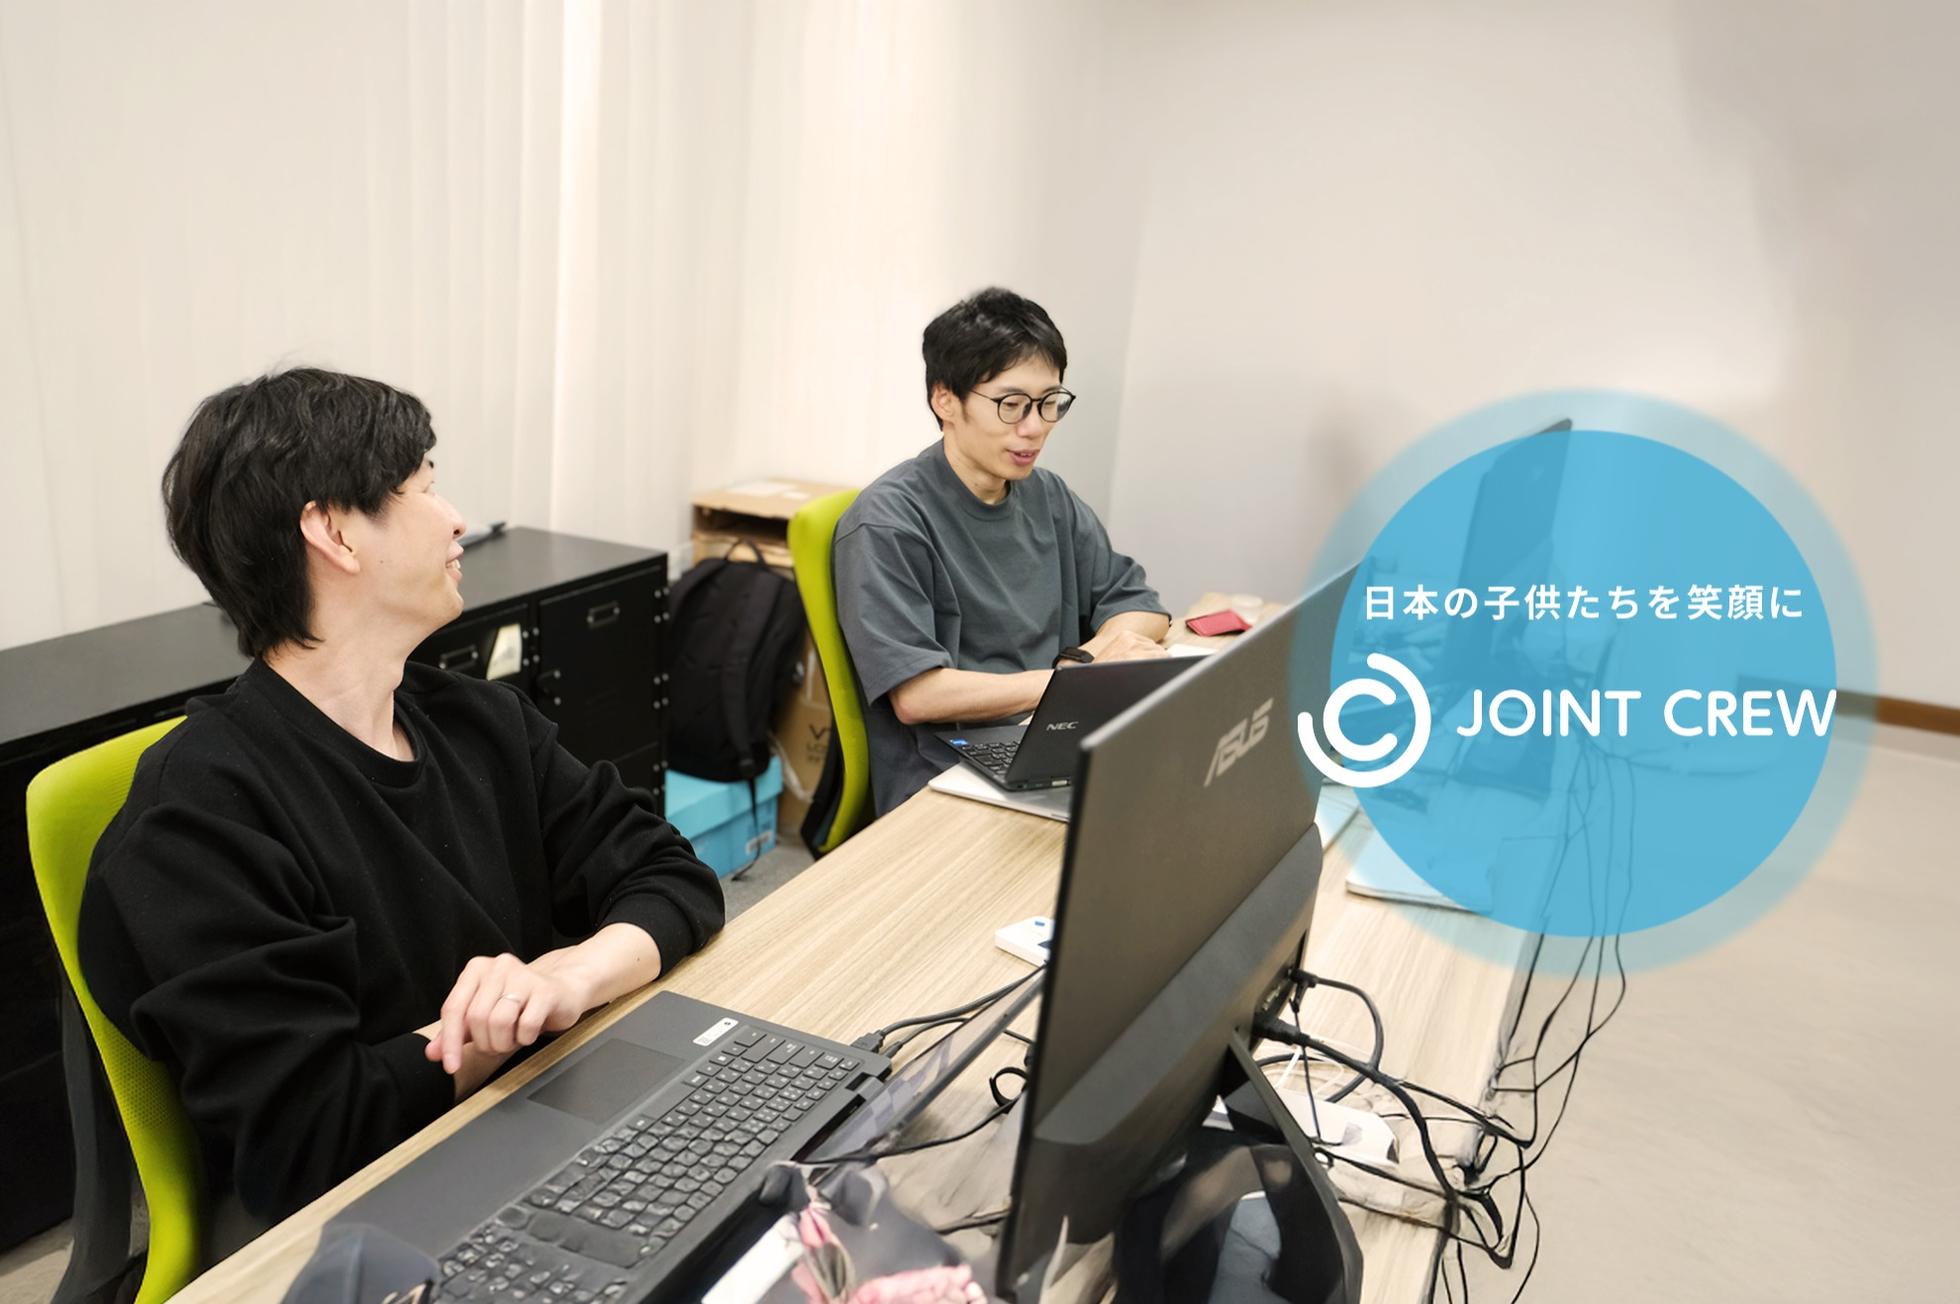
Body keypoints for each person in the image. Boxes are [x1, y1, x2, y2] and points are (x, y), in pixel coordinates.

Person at [78, 369, 724, 1232]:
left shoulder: (480, 721)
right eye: (423, 486)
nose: (456, 518)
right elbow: (314, 1143)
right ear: (335, 532)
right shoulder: (198, 818)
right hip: (375, 1222)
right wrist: (498, 1029)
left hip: (536, 1126)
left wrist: (568, 976)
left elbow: (672, 876)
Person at [835, 288, 1170, 815]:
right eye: (1011, 405)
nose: (1034, 428)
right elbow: (918, 696)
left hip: (1050, 729)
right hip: (945, 771)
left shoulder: (1048, 496)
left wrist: (1086, 663)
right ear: (946, 400)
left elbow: (1140, 606)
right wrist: (1073, 684)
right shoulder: (888, 521)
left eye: (1049, 403)